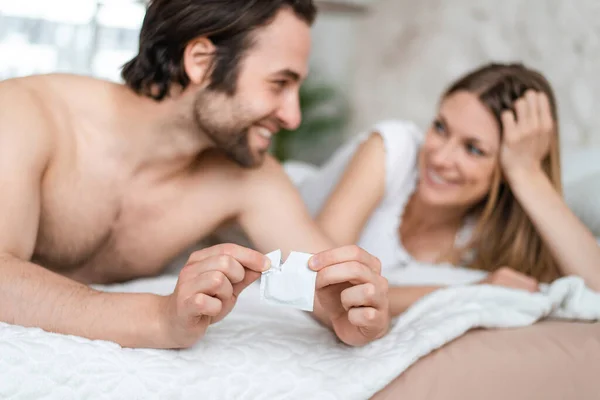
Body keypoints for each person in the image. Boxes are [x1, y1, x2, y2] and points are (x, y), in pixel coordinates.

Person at [0, 0, 391, 349]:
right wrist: (158, 318)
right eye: (279, 84)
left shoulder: (249, 178)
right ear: (201, 62)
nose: (293, 116)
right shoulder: (24, 114)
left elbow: (330, 293)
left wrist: (352, 315)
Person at [295, 62, 600, 316]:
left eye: (473, 149)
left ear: (507, 170)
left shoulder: (490, 231)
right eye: (440, 128)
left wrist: (528, 174)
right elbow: (319, 285)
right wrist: (472, 292)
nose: (440, 158)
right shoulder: (392, 148)